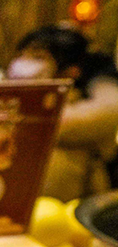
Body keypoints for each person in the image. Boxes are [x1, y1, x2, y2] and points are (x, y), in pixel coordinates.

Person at [7, 25, 118, 201]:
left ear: (71, 71)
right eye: (21, 56)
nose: (24, 63)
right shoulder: (3, 104)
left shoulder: (88, 117)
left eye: (38, 58)